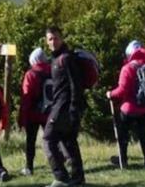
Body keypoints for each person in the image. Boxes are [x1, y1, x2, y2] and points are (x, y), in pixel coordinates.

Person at [43, 26, 86, 187]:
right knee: (68, 140)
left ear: (61, 38)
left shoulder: (66, 58)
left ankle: (61, 177)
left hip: (65, 106)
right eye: (50, 39)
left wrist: (74, 108)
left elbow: (76, 85)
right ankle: (78, 178)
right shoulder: (56, 59)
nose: (53, 42)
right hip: (62, 105)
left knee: (48, 139)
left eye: (56, 38)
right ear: (47, 42)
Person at [106, 40, 145, 169]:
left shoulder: (127, 68)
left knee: (123, 135)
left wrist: (110, 94)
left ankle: (123, 161)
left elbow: (122, 90)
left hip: (130, 108)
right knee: (144, 136)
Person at [18, 48, 52, 176]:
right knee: (51, 140)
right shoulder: (52, 70)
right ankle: (58, 165)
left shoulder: (31, 74)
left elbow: (26, 98)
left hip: (33, 113)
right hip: (49, 112)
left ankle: (29, 167)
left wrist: (22, 117)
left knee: (30, 141)